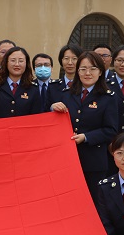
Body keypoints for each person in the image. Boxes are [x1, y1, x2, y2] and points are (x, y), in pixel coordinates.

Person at [50, 51, 117, 202]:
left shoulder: (108, 97)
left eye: (93, 68)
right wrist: (52, 108)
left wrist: (86, 137)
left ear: (100, 72)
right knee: (68, 202)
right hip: (67, 160)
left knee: (92, 203)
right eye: (83, 69)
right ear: (77, 71)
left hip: (94, 161)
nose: (88, 73)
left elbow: (110, 130)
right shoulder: (66, 94)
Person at [0, 46, 41, 119]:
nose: (17, 64)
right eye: (13, 60)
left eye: (21, 61)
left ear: (26, 64)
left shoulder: (33, 88)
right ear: (6, 63)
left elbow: (35, 118)